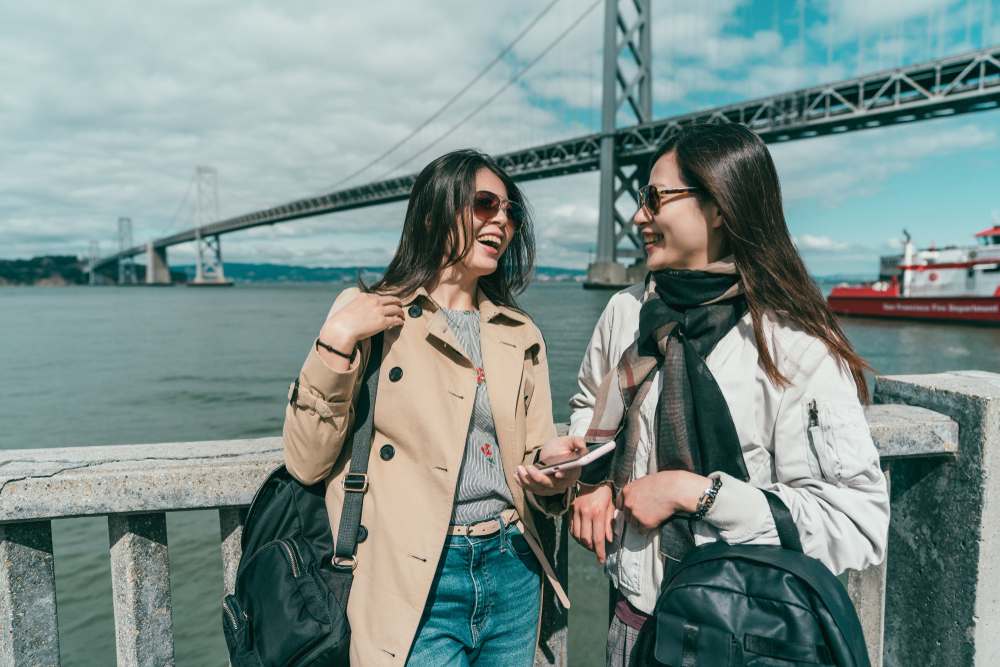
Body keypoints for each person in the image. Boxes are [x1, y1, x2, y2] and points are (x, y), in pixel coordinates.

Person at [565, 123, 890, 666]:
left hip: (739, 633)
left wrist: (694, 493)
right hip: (633, 618)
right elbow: (587, 407)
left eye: (654, 198)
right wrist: (592, 479)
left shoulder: (793, 345)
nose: (638, 216)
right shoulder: (625, 312)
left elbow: (855, 522)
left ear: (718, 205)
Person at [283, 149, 584, 666]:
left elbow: (530, 458)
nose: (501, 221)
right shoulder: (369, 314)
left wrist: (553, 471)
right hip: (409, 575)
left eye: (510, 211)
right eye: (484, 204)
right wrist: (337, 337)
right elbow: (306, 461)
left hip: (512, 567)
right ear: (431, 215)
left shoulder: (519, 332)